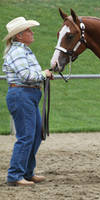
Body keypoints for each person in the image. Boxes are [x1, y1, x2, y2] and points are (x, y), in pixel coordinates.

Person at [2, 17, 53, 186]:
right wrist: (44, 74)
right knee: (26, 136)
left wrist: (43, 74)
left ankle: (27, 172)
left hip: (27, 94)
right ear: (19, 36)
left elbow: (30, 74)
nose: (32, 33)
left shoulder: (24, 50)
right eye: (29, 31)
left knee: (36, 134)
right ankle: (15, 175)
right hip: (21, 94)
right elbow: (27, 76)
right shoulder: (17, 52)